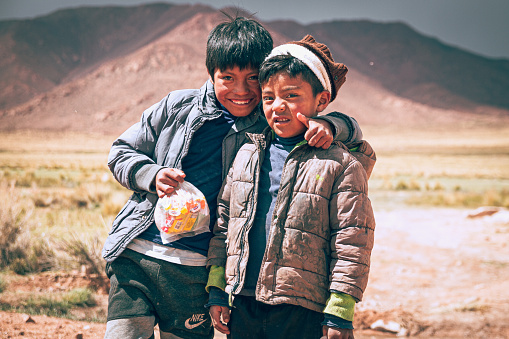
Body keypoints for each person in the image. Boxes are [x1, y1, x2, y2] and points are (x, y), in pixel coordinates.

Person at [102, 14, 364, 339]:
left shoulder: (265, 124)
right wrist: (150, 174)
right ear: (211, 74)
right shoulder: (177, 107)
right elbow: (121, 151)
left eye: (253, 79)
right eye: (227, 77)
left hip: (197, 271)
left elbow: (351, 136)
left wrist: (330, 125)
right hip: (137, 253)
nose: (241, 91)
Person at [206, 35, 376, 339]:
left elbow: (352, 241)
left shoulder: (339, 164)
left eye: (292, 95)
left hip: (302, 309)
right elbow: (224, 226)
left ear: (321, 100)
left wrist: (340, 311)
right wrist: (219, 289)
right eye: (269, 97)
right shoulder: (247, 155)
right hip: (245, 301)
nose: (278, 106)